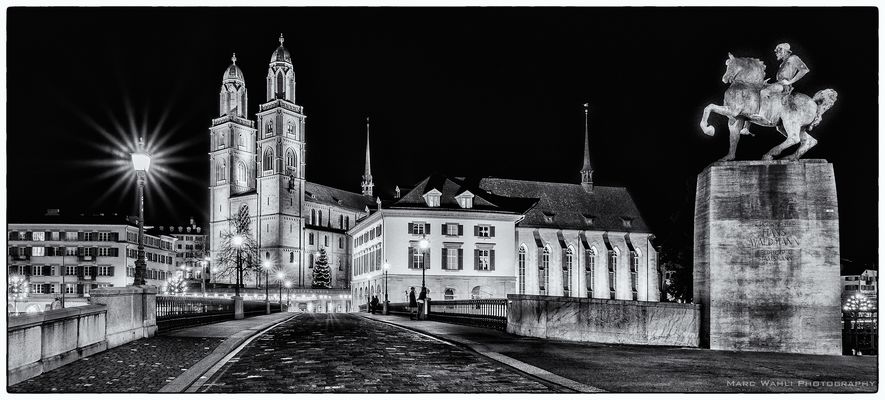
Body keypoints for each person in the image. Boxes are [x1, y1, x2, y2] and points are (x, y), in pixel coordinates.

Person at [745, 43, 810, 133]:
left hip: (784, 86)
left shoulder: (793, 58)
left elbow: (804, 70)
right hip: (779, 84)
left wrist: (790, 82)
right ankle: (746, 126)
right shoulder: (783, 63)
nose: (776, 52)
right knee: (756, 91)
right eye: (776, 51)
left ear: (785, 51)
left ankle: (762, 116)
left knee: (764, 92)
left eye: (779, 50)